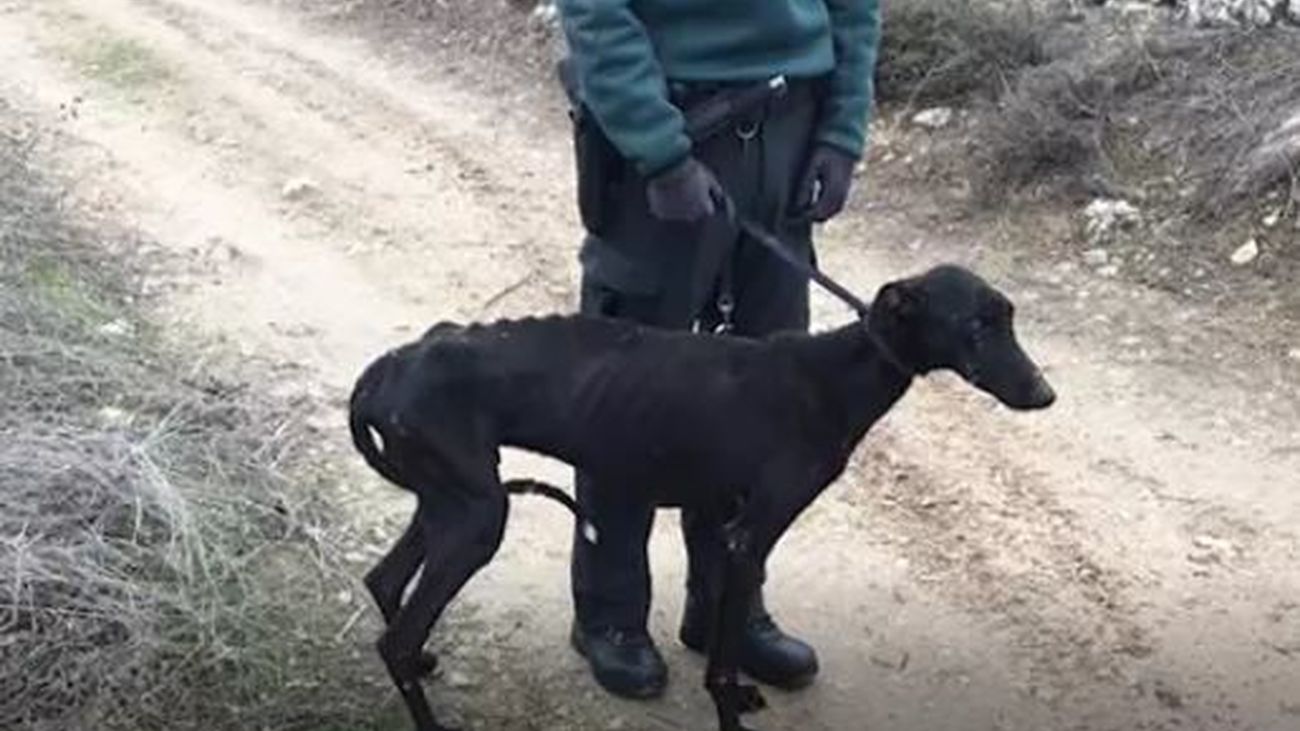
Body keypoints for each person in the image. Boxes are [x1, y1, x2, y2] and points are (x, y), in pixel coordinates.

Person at [555, 0, 882, 699]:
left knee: (764, 406)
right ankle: (609, 613)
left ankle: (725, 604)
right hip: (671, 131)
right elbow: (595, 12)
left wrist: (842, 132)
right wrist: (658, 148)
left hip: (791, 130)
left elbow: (855, 6)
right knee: (627, 397)